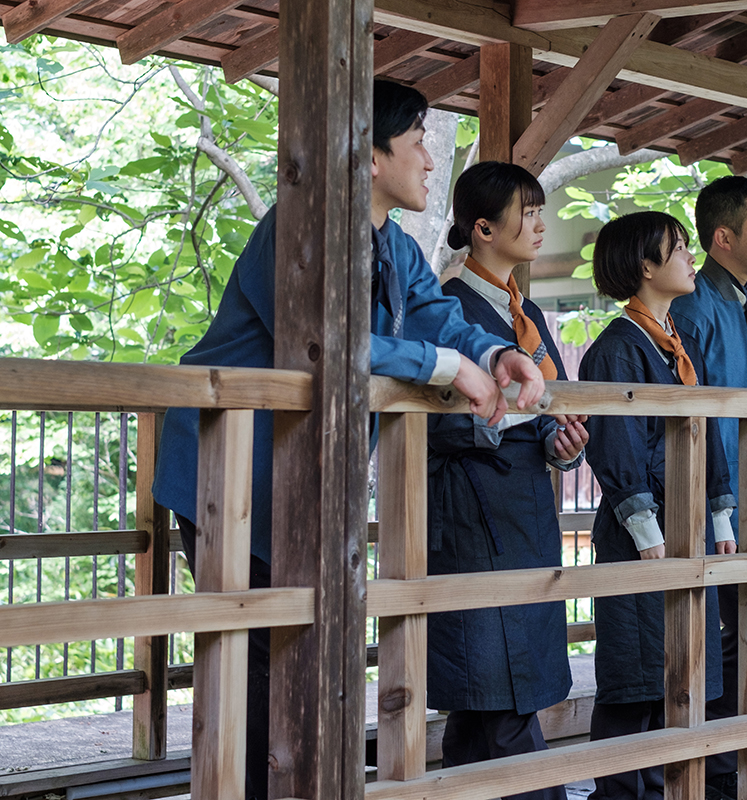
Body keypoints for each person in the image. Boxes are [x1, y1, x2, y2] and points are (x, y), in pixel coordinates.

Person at [151, 82, 545, 800]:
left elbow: (435, 315)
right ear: (368, 154)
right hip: (229, 471)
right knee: (253, 660)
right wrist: (444, 366)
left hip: (303, 478)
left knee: (301, 654)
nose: (431, 161)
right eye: (419, 140)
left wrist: (493, 356)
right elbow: (322, 341)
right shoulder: (300, 223)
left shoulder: (393, 243)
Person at [427, 160, 588, 800]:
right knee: (499, 681)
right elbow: (433, 421)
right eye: (527, 211)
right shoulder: (444, 306)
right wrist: (520, 423)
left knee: (484, 698)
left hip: (523, 508)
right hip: (473, 509)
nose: (540, 222)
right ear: (485, 227)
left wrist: (562, 443)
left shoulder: (526, 312)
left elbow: (538, 409)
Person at [579, 210, 736, 800]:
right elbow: (616, 445)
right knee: (635, 676)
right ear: (646, 266)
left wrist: (719, 514)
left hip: (688, 524)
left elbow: (709, 432)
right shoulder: (617, 348)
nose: (690, 258)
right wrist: (645, 527)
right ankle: (619, 793)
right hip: (639, 532)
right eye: (678, 249)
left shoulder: (680, 340)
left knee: (686, 669)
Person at [669, 175, 747, 800]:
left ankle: (740, 760)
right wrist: (720, 503)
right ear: (722, 237)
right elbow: (698, 412)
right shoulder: (691, 303)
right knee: (708, 631)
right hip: (706, 492)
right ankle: (707, 771)